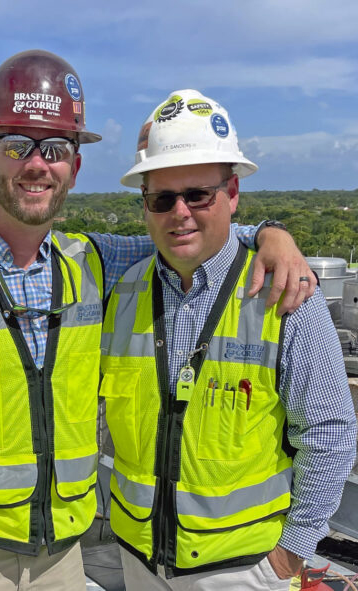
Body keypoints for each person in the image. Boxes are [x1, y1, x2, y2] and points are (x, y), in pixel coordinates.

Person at [0, 53, 316, 591]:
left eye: (56, 149)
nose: (37, 165)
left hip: (64, 560)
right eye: (17, 145)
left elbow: (191, 234)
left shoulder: (93, 262)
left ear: (75, 168)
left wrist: (271, 235)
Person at [101, 89, 358, 590]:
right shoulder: (122, 290)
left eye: (198, 194)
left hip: (243, 571)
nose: (180, 212)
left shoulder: (283, 296)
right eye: (162, 198)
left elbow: (328, 431)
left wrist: (290, 555)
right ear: (146, 205)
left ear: (233, 193)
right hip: (139, 562)